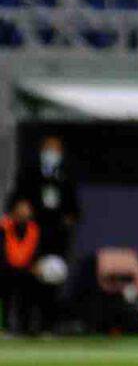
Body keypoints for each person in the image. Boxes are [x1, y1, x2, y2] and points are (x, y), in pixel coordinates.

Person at [15, 135, 79, 333]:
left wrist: (69, 219)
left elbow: (74, 209)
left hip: (57, 237)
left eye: (55, 149)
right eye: (48, 148)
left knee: (52, 281)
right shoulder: (30, 173)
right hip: (33, 235)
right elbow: (17, 201)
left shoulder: (66, 176)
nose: (51, 153)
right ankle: (23, 327)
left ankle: (48, 327)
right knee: (28, 281)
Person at [0, 195, 42, 335]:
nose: (24, 211)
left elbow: (36, 251)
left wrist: (35, 266)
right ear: (13, 210)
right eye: (21, 208)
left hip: (26, 270)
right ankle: (4, 327)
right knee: (6, 291)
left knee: (32, 287)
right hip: (5, 269)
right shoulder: (4, 226)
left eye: (27, 209)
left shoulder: (33, 229)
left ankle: (28, 328)